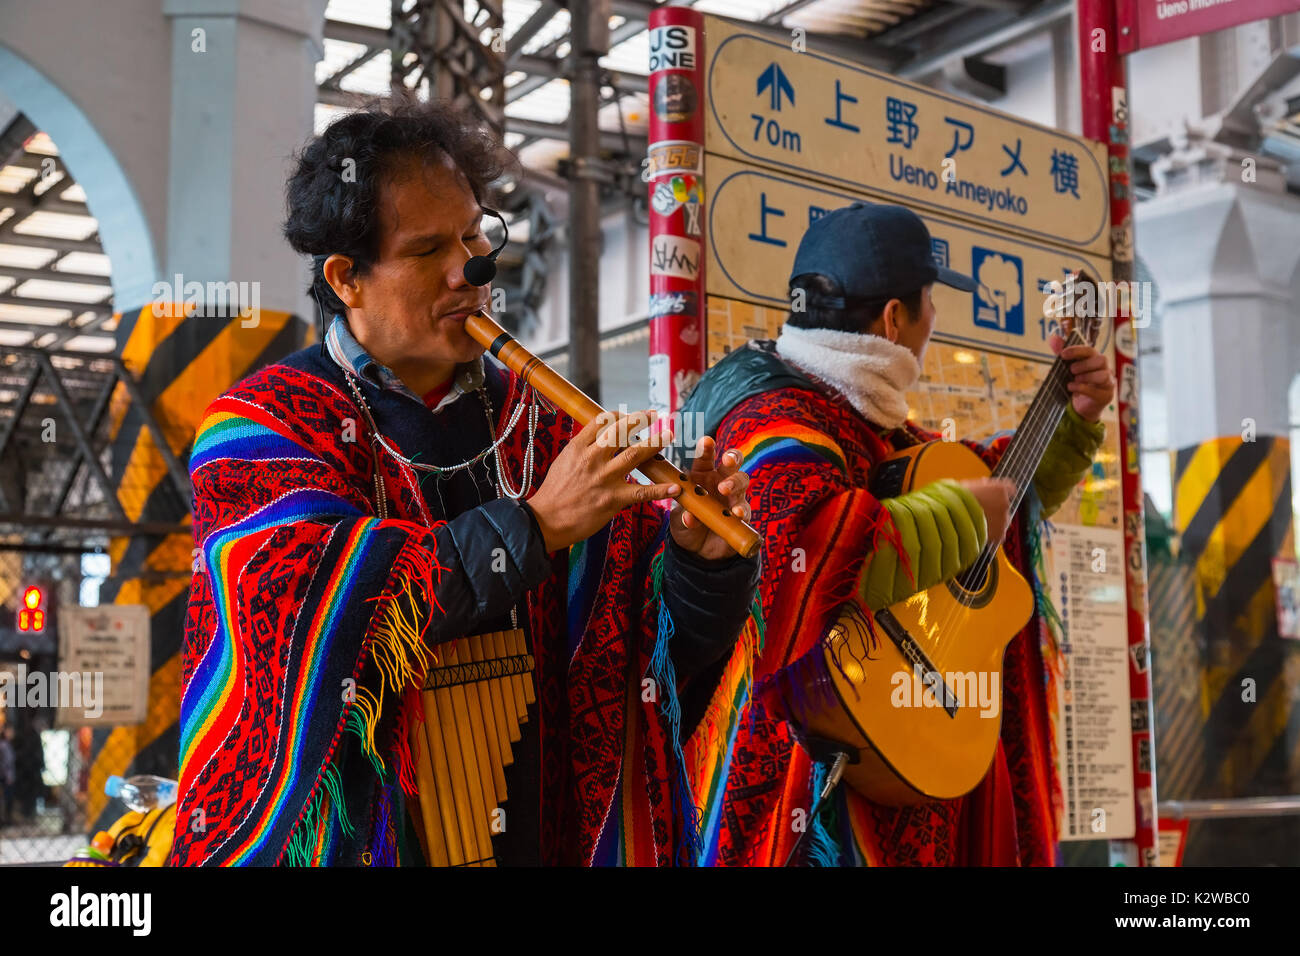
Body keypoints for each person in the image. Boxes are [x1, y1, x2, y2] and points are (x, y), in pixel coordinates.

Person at [169, 98, 760, 866]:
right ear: (347, 278)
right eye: (427, 251)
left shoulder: (548, 426)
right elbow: (307, 633)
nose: (470, 270)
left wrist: (698, 562)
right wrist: (536, 528)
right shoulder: (261, 427)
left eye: (475, 235)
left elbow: (652, 668)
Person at [681, 202, 1114, 866]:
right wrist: (963, 515)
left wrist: (1073, 416)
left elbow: (992, 496)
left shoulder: (872, 426)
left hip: (900, 764)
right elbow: (802, 553)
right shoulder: (771, 419)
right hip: (802, 795)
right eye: (929, 302)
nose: (933, 319)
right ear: (893, 319)